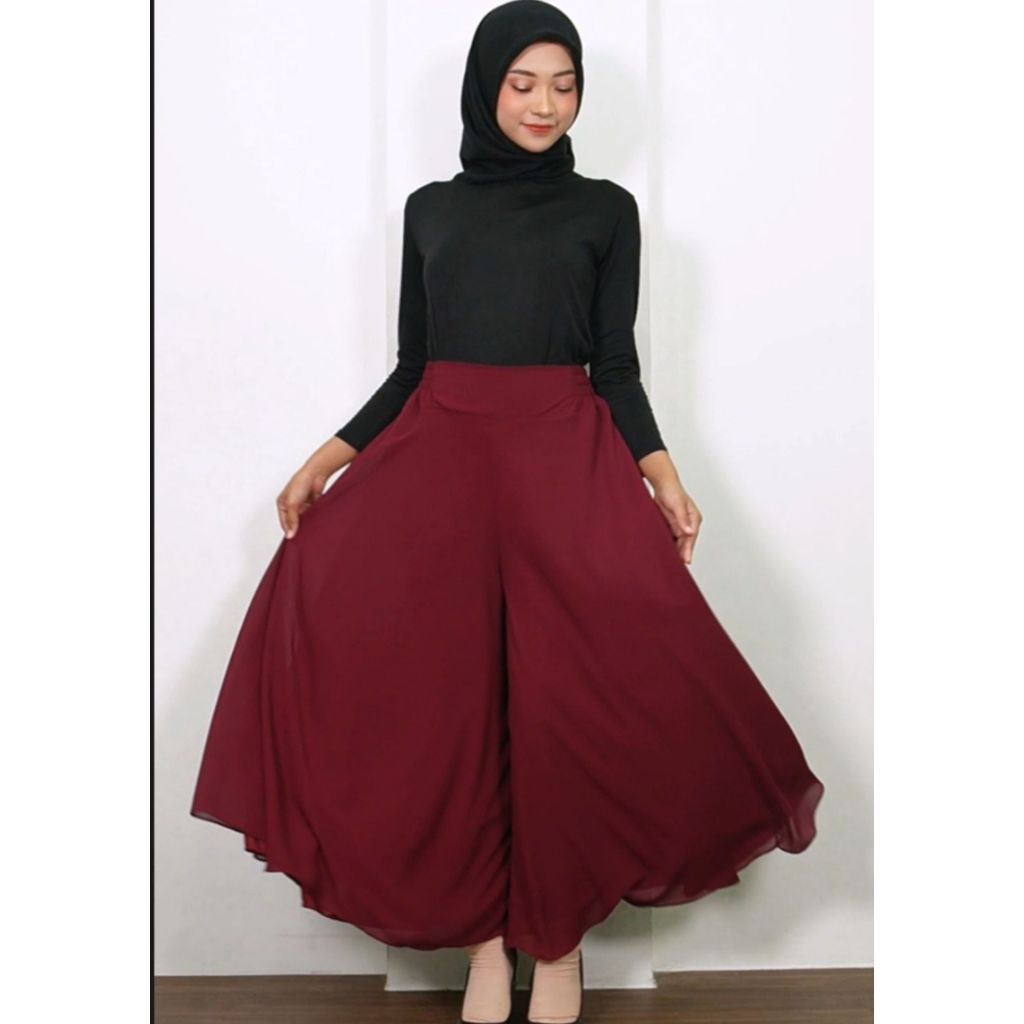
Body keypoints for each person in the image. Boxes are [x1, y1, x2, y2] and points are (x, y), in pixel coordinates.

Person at [190, 3, 825, 1023]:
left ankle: (555, 942)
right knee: (449, 708)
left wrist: (661, 475)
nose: (544, 104)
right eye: (523, 82)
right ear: (486, 88)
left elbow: (613, 365)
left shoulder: (606, 210)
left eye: (564, 85)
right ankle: (488, 944)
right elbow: (414, 366)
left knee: (574, 708)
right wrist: (326, 458)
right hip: (439, 473)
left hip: (564, 465)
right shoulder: (430, 210)